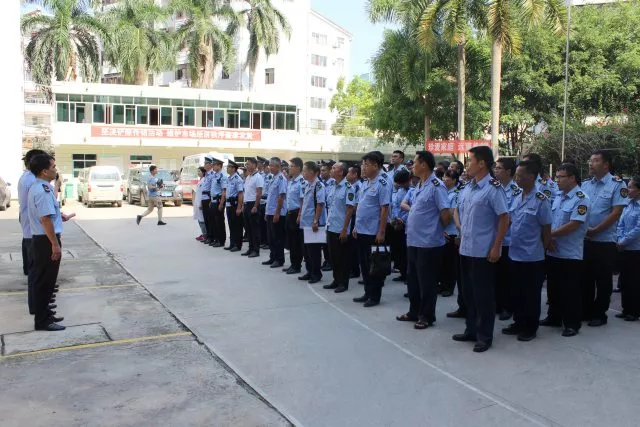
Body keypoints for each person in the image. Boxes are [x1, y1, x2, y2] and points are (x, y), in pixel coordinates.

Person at [453, 146, 509, 353]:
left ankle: (484, 336)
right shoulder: (468, 187)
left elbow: (504, 218)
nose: (467, 165)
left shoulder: (493, 189)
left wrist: (497, 246)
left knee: (483, 296)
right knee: (468, 294)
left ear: (482, 163)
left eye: (470, 161)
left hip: (483, 251)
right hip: (466, 249)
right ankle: (471, 330)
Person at [396, 151, 450, 329]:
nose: (412, 166)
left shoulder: (437, 186)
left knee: (427, 282)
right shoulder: (419, 185)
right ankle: (414, 311)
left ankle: (427, 316)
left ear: (424, 165)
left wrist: (437, 231)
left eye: (415, 163)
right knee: (413, 280)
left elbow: (445, 214)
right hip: (413, 241)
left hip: (429, 243)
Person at [501, 160, 552, 341]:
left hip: (532, 256)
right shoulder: (517, 196)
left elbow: (547, 228)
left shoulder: (541, 200)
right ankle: (518, 322)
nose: (517, 179)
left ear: (530, 177)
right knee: (516, 292)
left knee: (530, 294)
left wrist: (544, 250)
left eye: (519, 176)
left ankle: (530, 327)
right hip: (515, 253)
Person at [580, 150, 629, 326]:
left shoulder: (617, 184)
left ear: (606, 165)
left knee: (603, 280)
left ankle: (600, 314)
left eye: (595, 160)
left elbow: (616, 213)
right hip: (585, 239)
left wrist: (596, 230)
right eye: (590, 160)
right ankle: (586, 310)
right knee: (586, 277)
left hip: (605, 241)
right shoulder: (586, 185)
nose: (591, 163)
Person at [542, 163, 591, 337]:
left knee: (570, 290)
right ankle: (553, 317)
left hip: (570, 253)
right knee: (553, 287)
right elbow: (551, 219)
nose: (557, 180)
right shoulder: (558, 196)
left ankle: (571, 324)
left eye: (561, 177)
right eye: (556, 177)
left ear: (572, 178)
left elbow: (574, 224)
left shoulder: (581, 198)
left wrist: (550, 235)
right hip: (553, 250)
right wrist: (549, 239)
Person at [27, 154, 70, 331]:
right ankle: (42, 320)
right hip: (45, 240)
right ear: (45, 171)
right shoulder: (42, 190)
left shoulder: (40, 186)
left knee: (46, 280)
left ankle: (45, 314)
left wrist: (61, 217)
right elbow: (45, 219)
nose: (55, 169)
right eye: (53, 167)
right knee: (45, 282)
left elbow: (49, 215)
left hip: (43, 239)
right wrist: (54, 244)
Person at [353, 152, 392, 308]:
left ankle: (375, 296)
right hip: (362, 229)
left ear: (376, 166)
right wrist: (356, 226)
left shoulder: (383, 183)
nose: (363, 167)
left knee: (375, 265)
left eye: (366, 164)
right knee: (364, 263)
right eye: (363, 164)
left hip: (374, 232)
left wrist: (381, 231)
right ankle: (367, 292)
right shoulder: (366, 182)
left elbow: (384, 208)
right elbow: (362, 206)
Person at [18, 149, 47, 315]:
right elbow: (41, 210)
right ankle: (38, 308)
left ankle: (40, 305)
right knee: (37, 272)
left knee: (36, 271)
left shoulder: (29, 178)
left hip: (32, 230)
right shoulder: (31, 181)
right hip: (35, 232)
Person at [493, 158, 519, 321]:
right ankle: (498, 303)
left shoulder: (516, 191)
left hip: (509, 239)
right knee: (497, 276)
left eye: (499, 168)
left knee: (508, 276)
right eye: (495, 168)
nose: (495, 171)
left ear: (508, 171)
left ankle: (508, 307)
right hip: (495, 238)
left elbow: (511, 217)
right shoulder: (496, 188)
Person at [324, 162, 357, 293]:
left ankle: (343, 283)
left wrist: (344, 229)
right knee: (333, 257)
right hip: (331, 225)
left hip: (340, 228)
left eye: (334, 168)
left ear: (341, 172)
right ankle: (336, 280)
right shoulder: (332, 185)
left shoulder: (348, 188)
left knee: (342, 257)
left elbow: (349, 210)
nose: (331, 170)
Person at [298, 161, 326, 284]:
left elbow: (320, 204)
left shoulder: (319, 185)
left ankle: (316, 273)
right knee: (306, 250)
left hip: (313, 223)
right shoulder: (308, 184)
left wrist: (315, 221)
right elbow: (305, 203)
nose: (303, 173)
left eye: (304, 171)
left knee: (314, 251)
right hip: (306, 222)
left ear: (311, 172)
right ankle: (309, 271)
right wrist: (300, 215)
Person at [616, 176, 640, 321]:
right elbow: (621, 223)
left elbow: (638, 229)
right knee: (624, 280)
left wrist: (624, 241)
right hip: (624, 247)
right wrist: (620, 239)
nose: (627, 189)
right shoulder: (628, 204)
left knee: (634, 281)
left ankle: (634, 311)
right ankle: (626, 309)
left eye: (630, 187)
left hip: (636, 249)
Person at [263, 157, 287, 269]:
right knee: (271, 237)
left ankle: (279, 259)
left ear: (278, 166)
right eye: (269, 165)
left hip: (278, 213)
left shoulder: (281, 178)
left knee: (278, 238)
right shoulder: (273, 178)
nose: (270, 167)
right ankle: (272, 257)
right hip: (270, 211)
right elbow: (270, 197)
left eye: (272, 165)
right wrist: (267, 213)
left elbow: (281, 196)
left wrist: (277, 213)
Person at [441, 170, 461, 298]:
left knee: (450, 262)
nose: (444, 180)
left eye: (447, 178)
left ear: (454, 180)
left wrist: (441, 228)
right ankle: (442, 284)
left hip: (451, 231)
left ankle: (449, 287)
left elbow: (451, 213)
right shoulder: (444, 192)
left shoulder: (456, 194)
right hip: (443, 230)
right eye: (444, 177)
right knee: (442, 261)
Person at [388, 170, 411, 282]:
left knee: (406, 252)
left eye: (401, 183)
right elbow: (395, 206)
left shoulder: (412, 191)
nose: (399, 185)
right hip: (396, 223)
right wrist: (395, 219)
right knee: (398, 251)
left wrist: (403, 220)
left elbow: (411, 209)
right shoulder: (400, 191)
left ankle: (408, 275)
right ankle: (402, 272)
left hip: (406, 224)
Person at [284, 157, 305, 275]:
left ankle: (297, 265)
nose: (289, 168)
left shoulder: (302, 182)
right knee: (291, 240)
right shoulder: (291, 181)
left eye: (291, 166)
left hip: (297, 213)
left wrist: (300, 215)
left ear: (298, 168)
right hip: (289, 213)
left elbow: (302, 201)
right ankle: (293, 263)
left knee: (296, 241)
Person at [242, 158, 264, 258]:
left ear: (255, 165)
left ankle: (256, 250)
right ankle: (250, 248)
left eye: (249, 164)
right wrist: (243, 205)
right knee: (248, 228)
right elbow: (246, 192)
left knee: (255, 229)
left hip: (253, 204)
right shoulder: (248, 177)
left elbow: (259, 193)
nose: (247, 166)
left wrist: (255, 206)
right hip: (247, 204)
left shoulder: (258, 177)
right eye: (247, 164)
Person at [346, 165, 362, 279]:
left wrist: (348, 211)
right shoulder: (350, 185)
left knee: (353, 245)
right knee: (350, 245)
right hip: (350, 216)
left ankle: (355, 270)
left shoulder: (358, 187)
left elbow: (357, 205)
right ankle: (352, 268)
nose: (347, 175)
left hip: (355, 217)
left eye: (349, 172)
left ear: (355, 174)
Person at [225, 161, 244, 252]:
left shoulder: (237, 179)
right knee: (231, 225)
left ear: (233, 169)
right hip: (229, 204)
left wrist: (239, 207)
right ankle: (232, 243)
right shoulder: (229, 178)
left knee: (237, 226)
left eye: (229, 167)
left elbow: (240, 194)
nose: (227, 168)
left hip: (235, 204)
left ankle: (237, 245)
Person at [319, 161, 335, 272]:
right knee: (323, 240)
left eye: (324, 171)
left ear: (330, 171)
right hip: (323, 214)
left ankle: (330, 261)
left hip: (330, 214)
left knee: (329, 241)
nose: (321, 173)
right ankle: (326, 260)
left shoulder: (333, 183)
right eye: (321, 170)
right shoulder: (321, 183)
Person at [209, 158, 228, 248]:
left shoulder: (223, 176)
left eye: (214, 165)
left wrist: (221, 203)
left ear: (219, 166)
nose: (213, 166)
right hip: (213, 200)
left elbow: (224, 191)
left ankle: (221, 240)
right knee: (214, 221)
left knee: (219, 221)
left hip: (219, 200)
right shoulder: (215, 175)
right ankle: (216, 239)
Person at [258, 157, 272, 250]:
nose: (265, 169)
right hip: (261, 202)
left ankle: (267, 242)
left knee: (267, 225)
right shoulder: (262, 176)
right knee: (261, 224)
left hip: (267, 201)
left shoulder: (271, 177)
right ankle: (263, 241)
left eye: (266, 167)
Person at [193, 167, 207, 241]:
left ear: (203, 172)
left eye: (199, 171)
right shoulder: (201, 180)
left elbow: (203, 193)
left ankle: (205, 235)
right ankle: (203, 233)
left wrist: (201, 203)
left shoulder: (204, 180)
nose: (198, 172)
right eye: (197, 171)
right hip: (197, 202)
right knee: (199, 218)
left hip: (201, 202)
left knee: (202, 219)